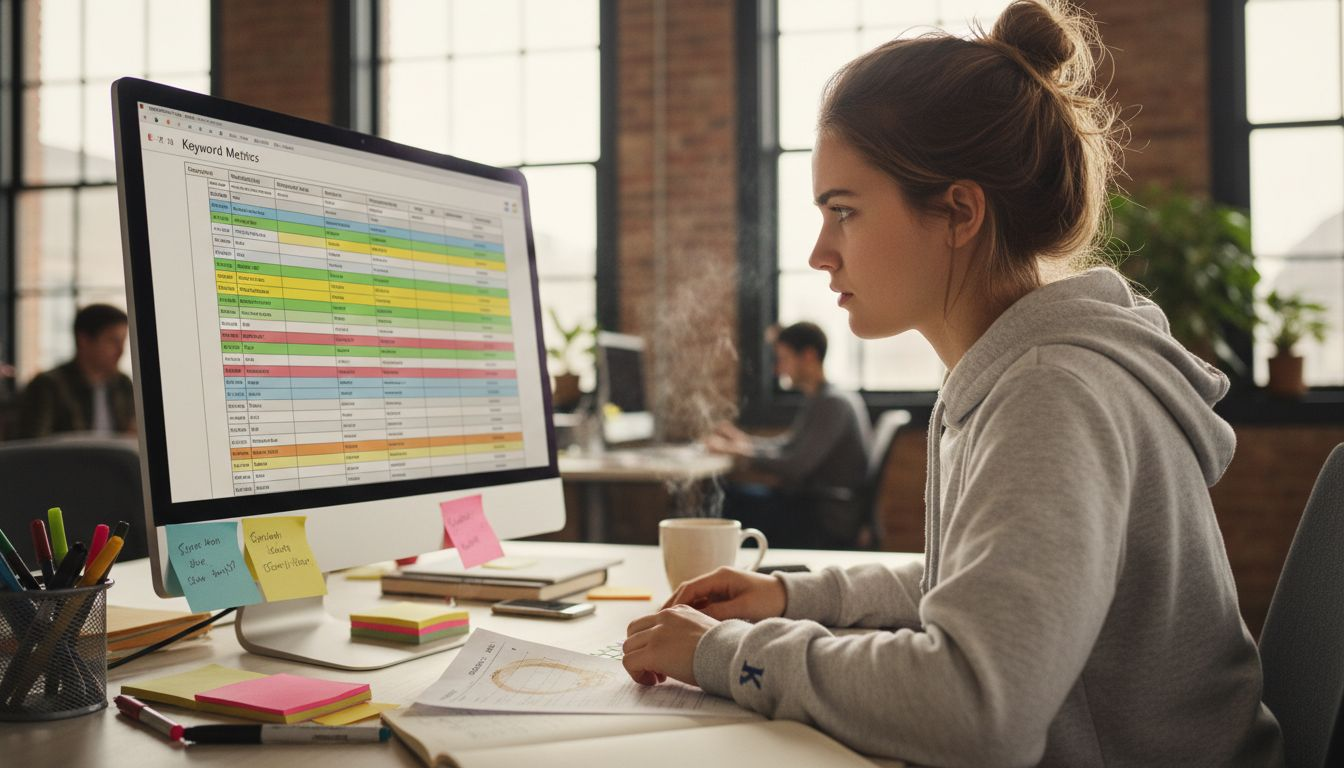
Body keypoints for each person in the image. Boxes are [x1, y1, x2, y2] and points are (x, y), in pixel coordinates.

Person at [621, 2, 1284, 765]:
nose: (818, 253)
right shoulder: (1021, 371)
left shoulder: (1053, 390)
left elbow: (974, 707)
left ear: (959, 212)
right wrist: (793, 596)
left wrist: (730, 654)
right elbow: (972, 588)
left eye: (844, 212)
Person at [705, 321, 871, 548]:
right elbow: (789, 445)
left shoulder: (833, 403)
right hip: (813, 505)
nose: (777, 369)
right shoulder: (822, 398)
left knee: (727, 499)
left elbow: (796, 465)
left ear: (809, 356)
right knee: (732, 496)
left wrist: (743, 453)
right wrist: (744, 441)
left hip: (821, 515)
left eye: (783, 359)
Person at [16, 303, 136, 439]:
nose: (121, 351)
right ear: (84, 340)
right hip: (65, 460)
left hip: (119, 460)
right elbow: (34, 445)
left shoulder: (123, 384)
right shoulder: (48, 385)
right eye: (112, 341)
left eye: (122, 342)